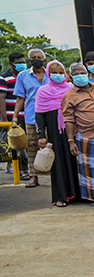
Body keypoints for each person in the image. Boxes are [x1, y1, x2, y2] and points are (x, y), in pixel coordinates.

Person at [63, 62, 94, 206]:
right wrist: (71, 140)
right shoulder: (70, 96)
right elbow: (69, 119)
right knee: (91, 169)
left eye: (81, 73)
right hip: (88, 135)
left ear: (87, 73)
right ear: (71, 77)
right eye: (76, 74)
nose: (80, 76)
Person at [34, 61, 79, 206]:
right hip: (54, 130)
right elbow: (40, 115)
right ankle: (61, 196)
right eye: (54, 72)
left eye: (61, 73)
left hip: (73, 129)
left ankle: (78, 194)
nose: (58, 75)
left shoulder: (71, 89)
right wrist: (41, 135)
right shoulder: (43, 91)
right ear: (48, 73)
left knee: (75, 160)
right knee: (58, 162)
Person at [12, 48, 48, 188]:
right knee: (32, 146)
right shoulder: (23, 76)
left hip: (51, 117)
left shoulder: (51, 74)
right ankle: (34, 176)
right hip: (32, 117)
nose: (36, 59)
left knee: (52, 145)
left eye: (39, 57)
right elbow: (21, 97)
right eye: (33, 57)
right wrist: (15, 116)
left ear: (44, 60)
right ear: (29, 60)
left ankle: (55, 177)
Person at [3, 51, 30, 178]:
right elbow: (1, 99)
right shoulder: (4, 78)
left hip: (28, 115)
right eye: (19, 63)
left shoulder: (27, 76)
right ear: (11, 64)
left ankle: (26, 169)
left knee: (27, 144)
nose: (22, 65)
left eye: (23, 62)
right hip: (13, 117)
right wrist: (5, 119)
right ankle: (21, 171)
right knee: (18, 146)